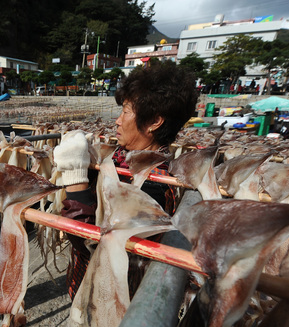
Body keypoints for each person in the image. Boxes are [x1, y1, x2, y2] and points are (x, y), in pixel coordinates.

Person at [53, 64, 198, 300]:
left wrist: (75, 177)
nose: (117, 121)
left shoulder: (155, 182)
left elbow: (97, 245)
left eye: (126, 112)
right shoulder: (120, 159)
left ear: (154, 122)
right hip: (88, 284)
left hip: (110, 299)